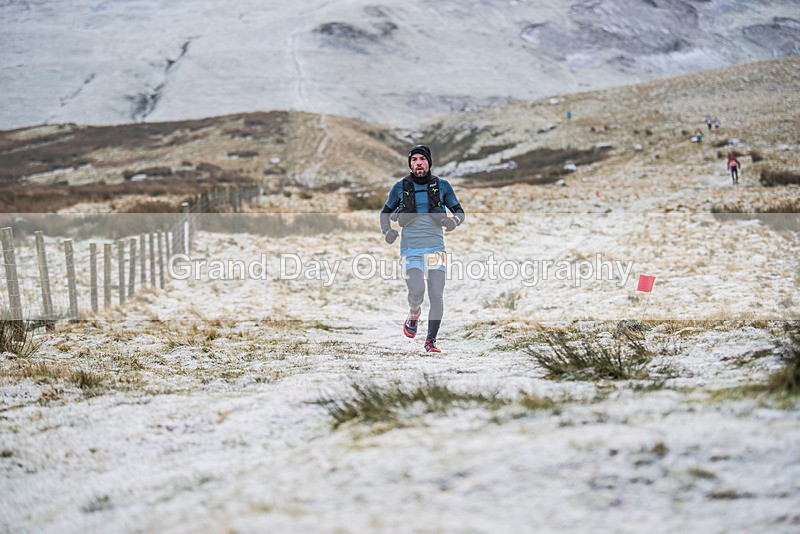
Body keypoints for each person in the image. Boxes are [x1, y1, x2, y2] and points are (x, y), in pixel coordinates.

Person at [380, 144, 465, 353]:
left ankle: (431, 341)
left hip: (436, 248)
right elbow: (385, 213)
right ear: (410, 164)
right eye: (415, 159)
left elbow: (459, 211)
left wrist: (454, 221)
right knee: (417, 291)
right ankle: (414, 312)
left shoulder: (443, 186)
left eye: (422, 159)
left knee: (436, 294)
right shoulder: (400, 187)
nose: (419, 163)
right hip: (411, 250)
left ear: (429, 163)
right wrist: (387, 231)